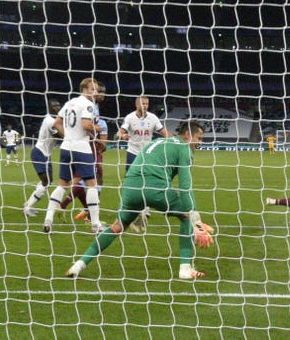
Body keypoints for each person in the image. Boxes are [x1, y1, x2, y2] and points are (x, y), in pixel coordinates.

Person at [66, 120, 214, 279]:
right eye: (198, 138)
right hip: (155, 187)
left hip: (131, 186)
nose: (200, 143)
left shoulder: (158, 141)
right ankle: (185, 269)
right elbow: (185, 187)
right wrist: (196, 219)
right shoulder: (184, 148)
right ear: (187, 135)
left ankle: (78, 265)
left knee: (117, 227)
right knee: (186, 217)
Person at [43, 78, 103, 233]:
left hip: (65, 148)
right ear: (84, 89)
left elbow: (56, 123)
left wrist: (67, 136)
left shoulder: (70, 102)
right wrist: (98, 128)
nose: (95, 92)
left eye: (96, 89)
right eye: (92, 89)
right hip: (81, 149)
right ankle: (96, 225)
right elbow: (86, 125)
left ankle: (48, 220)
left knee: (62, 185)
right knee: (92, 185)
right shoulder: (89, 104)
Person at [117, 95, 172, 232]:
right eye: (143, 103)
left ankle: (145, 210)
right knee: (131, 180)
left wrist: (175, 140)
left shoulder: (153, 118)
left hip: (147, 154)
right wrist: (121, 135)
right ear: (137, 104)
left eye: (147, 104)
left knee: (146, 181)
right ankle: (128, 207)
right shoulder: (130, 117)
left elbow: (164, 132)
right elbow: (121, 132)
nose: (145, 106)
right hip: (133, 153)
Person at [60, 81, 108, 222]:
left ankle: (87, 211)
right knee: (85, 179)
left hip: (80, 146)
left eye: (101, 91)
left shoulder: (87, 104)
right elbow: (88, 125)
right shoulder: (89, 105)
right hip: (85, 148)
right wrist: (98, 135)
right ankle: (65, 207)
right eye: (98, 91)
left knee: (88, 179)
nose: (100, 94)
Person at [23, 100, 62, 217]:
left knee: (48, 181)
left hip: (46, 154)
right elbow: (60, 135)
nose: (57, 107)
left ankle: (29, 204)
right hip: (39, 152)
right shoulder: (49, 121)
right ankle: (28, 208)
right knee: (46, 182)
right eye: (54, 106)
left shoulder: (55, 119)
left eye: (58, 105)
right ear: (49, 108)